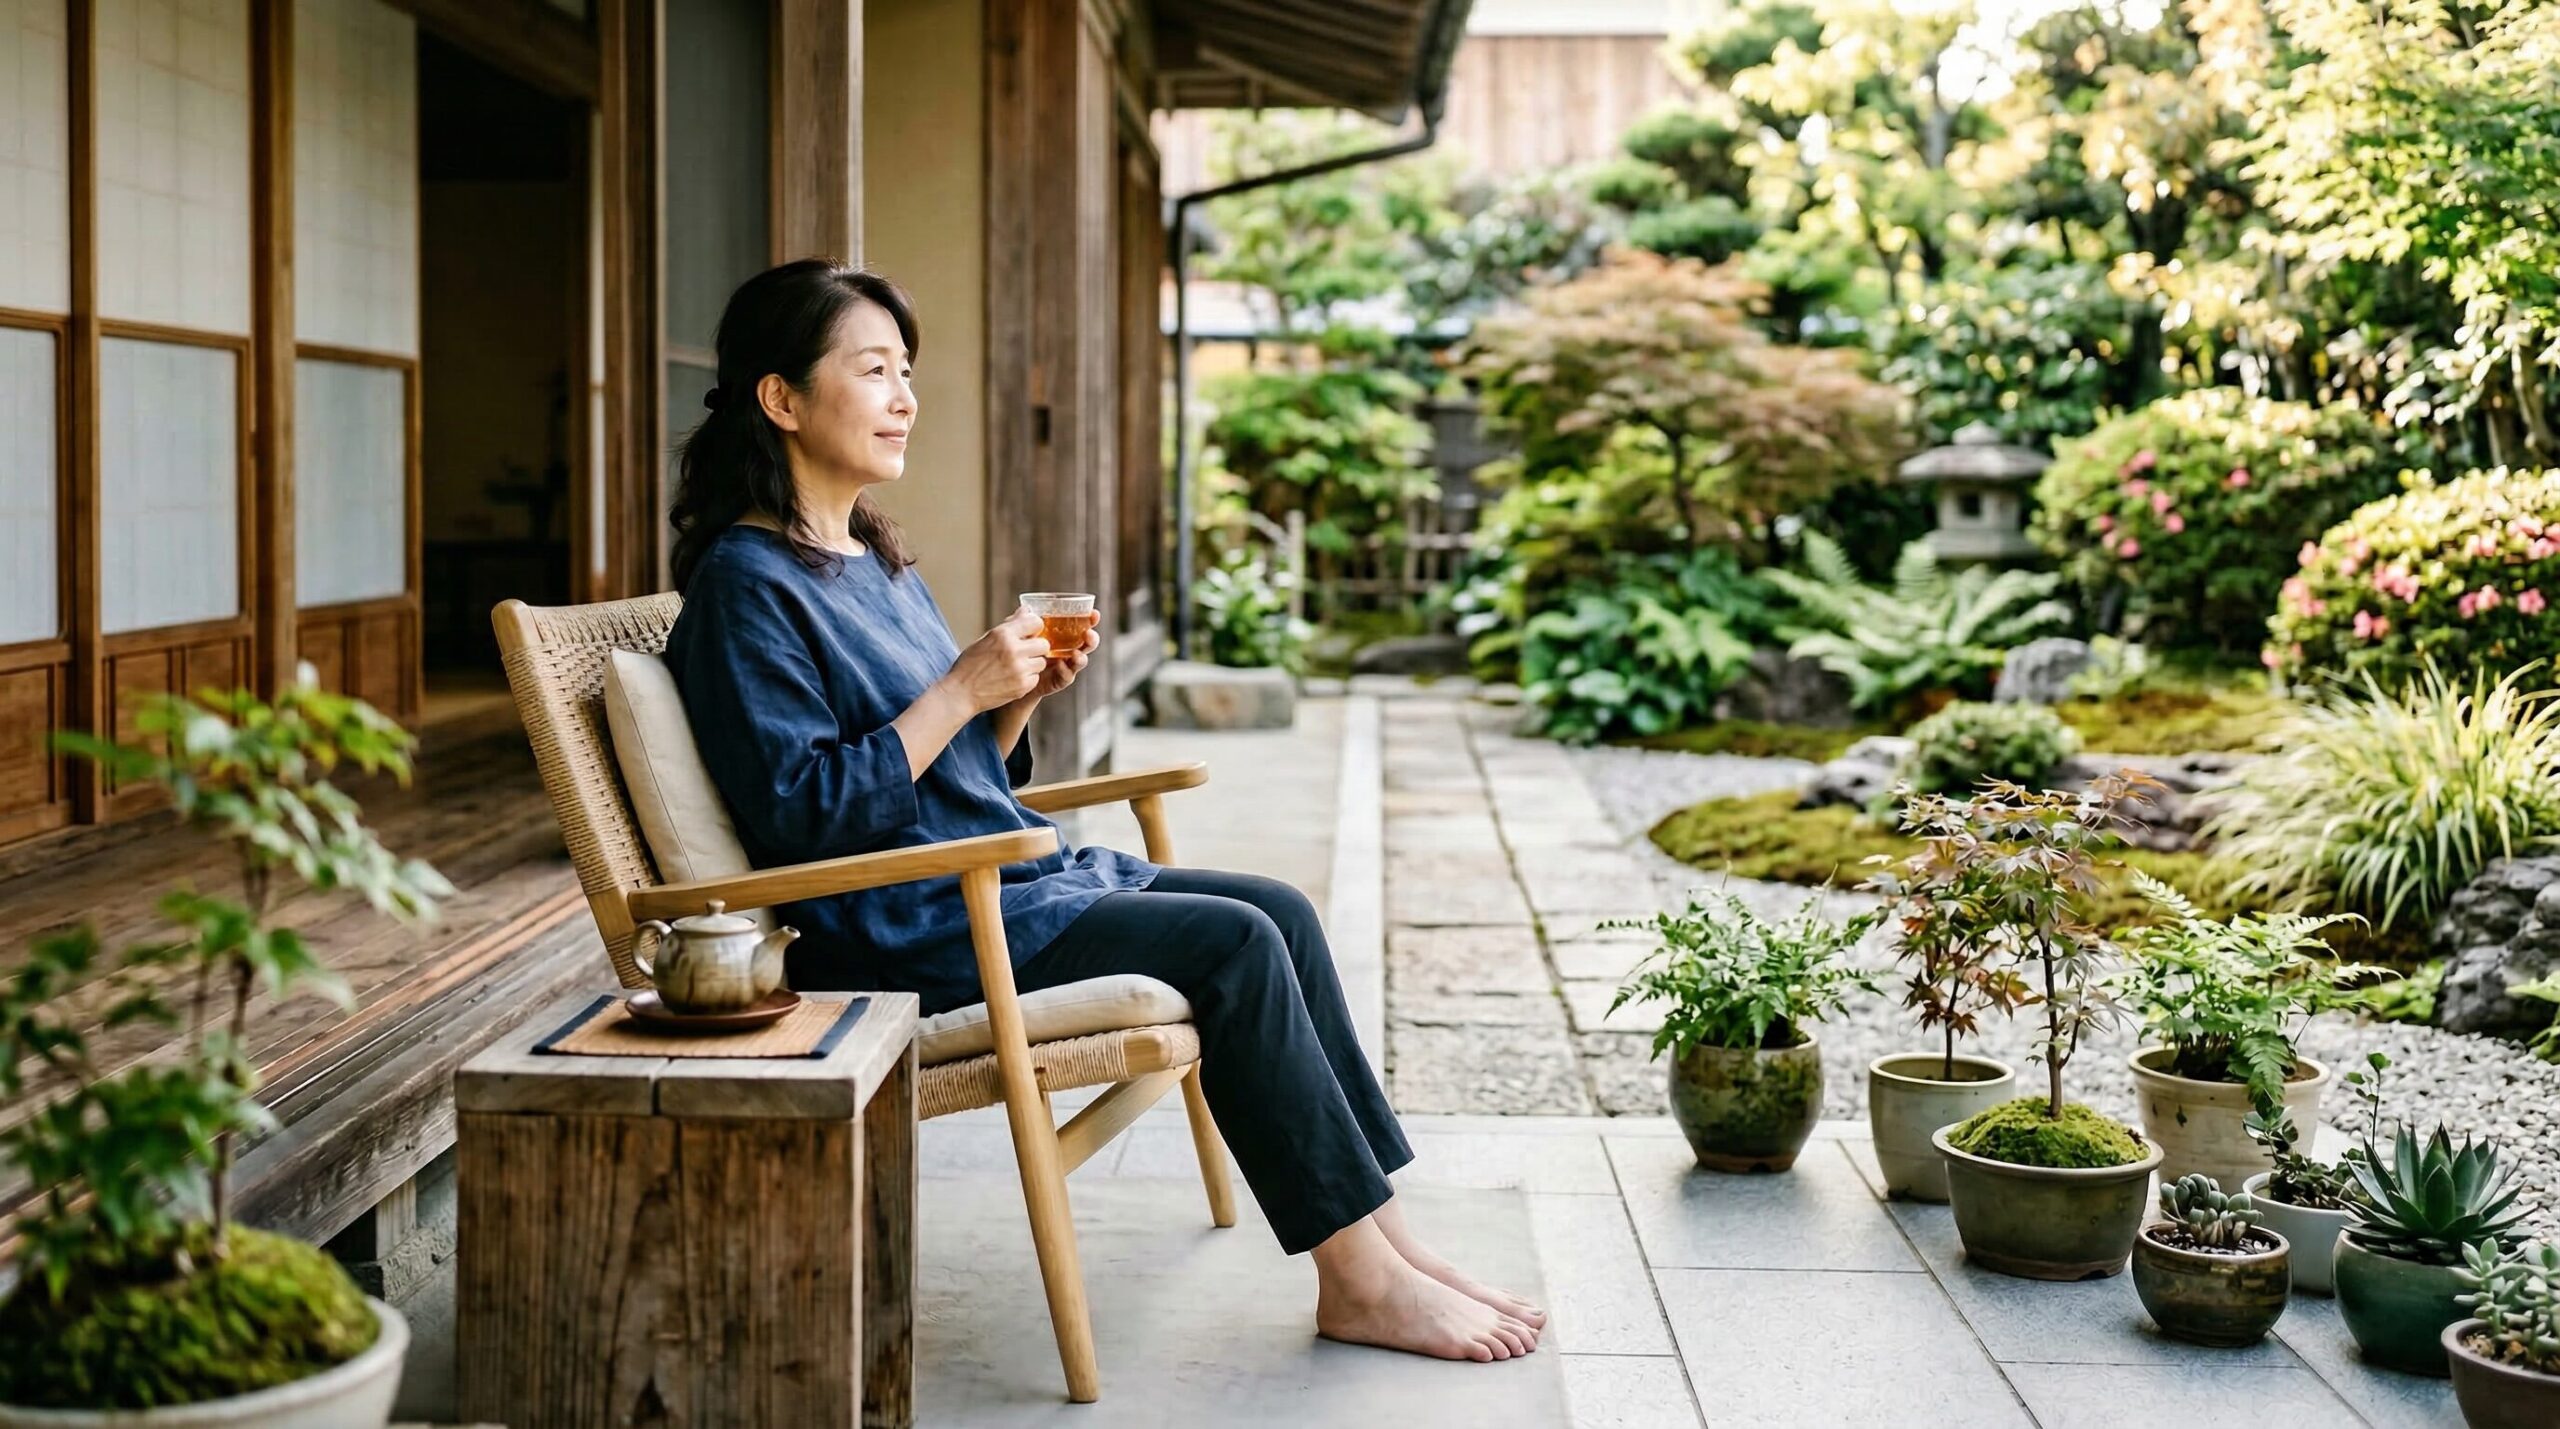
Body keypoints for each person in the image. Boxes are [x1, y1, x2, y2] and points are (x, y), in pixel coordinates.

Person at [660, 259, 1545, 1362]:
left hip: (989, 882)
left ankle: (1388, 1240)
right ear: (781, 399)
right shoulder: (748, 586)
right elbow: (805, 814)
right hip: (907, 925)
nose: (905, 397)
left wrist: (1010, 700)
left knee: (1280, 908)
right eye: (873, 370)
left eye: (907, 371)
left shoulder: (873, 559)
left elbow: (945, 775)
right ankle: (1355, 1282)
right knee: (1230, 943)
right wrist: (959, 689)